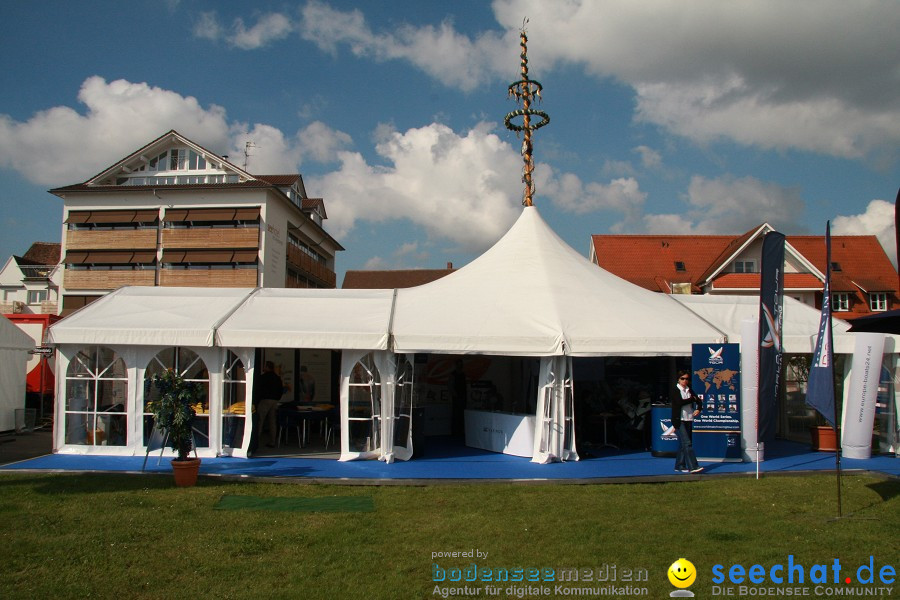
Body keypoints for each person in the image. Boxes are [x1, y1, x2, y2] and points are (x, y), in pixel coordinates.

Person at [670, 370, 703, 474]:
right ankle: (693, 466)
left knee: (683, 444)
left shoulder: (689, 390)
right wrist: (691, 399)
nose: (685, 381)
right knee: (687, 443)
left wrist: (698, 409)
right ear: (678, 379)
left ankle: (679, 465)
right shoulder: (675, 390)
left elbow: (698, 400)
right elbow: (679, 402)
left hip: (688, 418)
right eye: (682, 379)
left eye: (687, 379)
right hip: (679, 420)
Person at [255, 361, 284, 448]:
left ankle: (256, 441)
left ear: (267, 367)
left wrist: (257, 400)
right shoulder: (277, 378)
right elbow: (281, 389)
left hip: (265, 400)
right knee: (272, 421)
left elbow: (259, 389)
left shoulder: (263, 377)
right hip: (275, 400)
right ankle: (272, 441)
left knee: (260, 420)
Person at [449, 360, 467, 438]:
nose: (460, 366)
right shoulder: (453, 374)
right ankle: (455, 432)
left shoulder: (463, 374)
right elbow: (450, 386)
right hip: (457, 397)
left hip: (463, 397)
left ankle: (461, 431)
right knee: (456, 414)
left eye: (461, 365)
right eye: (459, 365)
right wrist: (455, 395)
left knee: (462, 415)